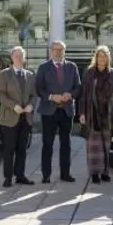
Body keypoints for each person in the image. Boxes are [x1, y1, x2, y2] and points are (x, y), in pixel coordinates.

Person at [35, 40, 81, 183]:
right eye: (55, 49)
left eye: (61, 50)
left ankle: (65, 174)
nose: (58, 52)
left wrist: (71, 95)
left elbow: (78, 87)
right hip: (49, 111)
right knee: (47, 143)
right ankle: (46, 175)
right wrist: (51, 96)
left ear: (64, 51)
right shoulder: (43, 67)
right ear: (51, 51)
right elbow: (39, 89)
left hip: (66, 111)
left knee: (66, 143)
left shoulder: (72, 67)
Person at [78, 45, 113, 184]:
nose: (102, 59)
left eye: (104, 56)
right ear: (96, 58)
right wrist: (82, 113)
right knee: (93, 146)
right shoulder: (89, 73)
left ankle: (105, 172)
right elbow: (83, 95)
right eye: (99, 56)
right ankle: (94, 174)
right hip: (92, 113)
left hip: (108, 114)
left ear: (108, 58)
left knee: (106, 145)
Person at [0, 46, 37, 188]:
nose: (19, 58)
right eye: (17, 56)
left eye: (21, 56)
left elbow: (34, 94)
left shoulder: (30, 75)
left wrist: (32, 105)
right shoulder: (3, 74)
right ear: (12, 58)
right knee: (9, 149)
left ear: (24, 58)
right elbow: (1, 94)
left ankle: (20, 175)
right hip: (9, 118)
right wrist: (13, 106)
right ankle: (8, 177)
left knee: (22, 149)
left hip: (25, 118)